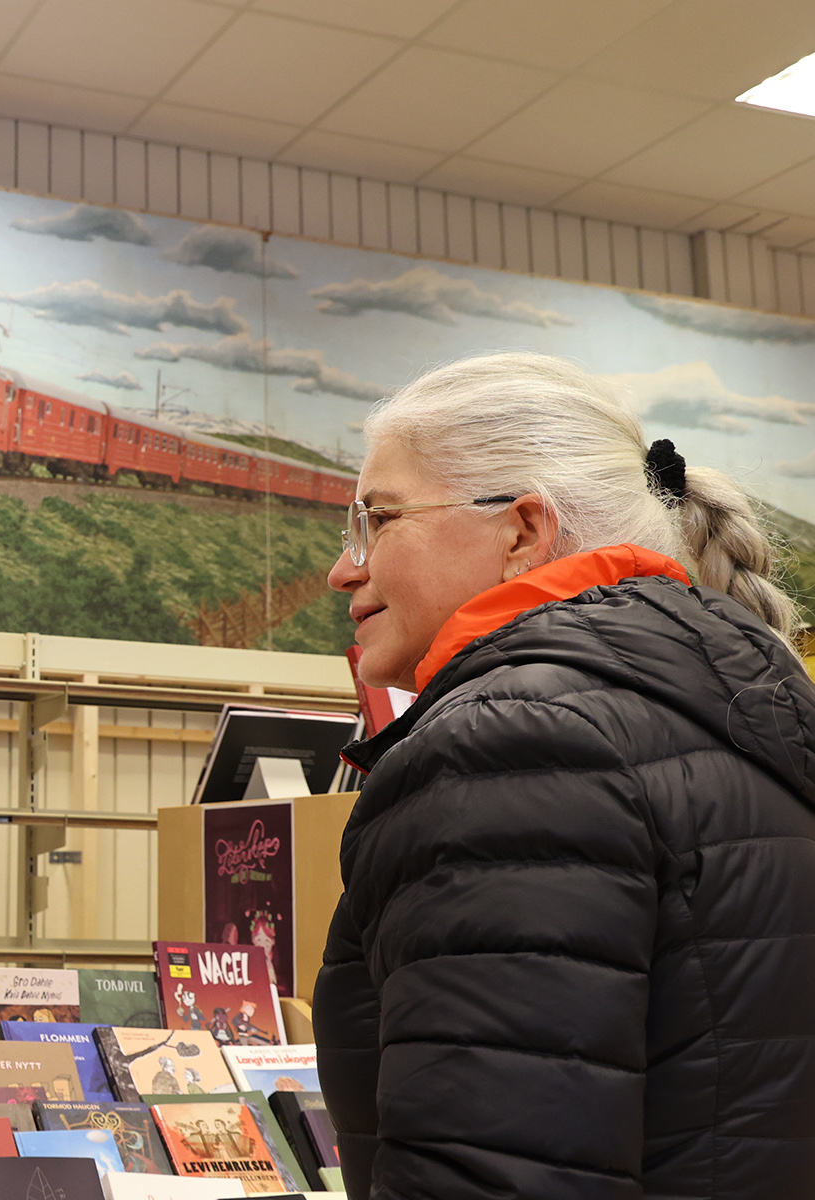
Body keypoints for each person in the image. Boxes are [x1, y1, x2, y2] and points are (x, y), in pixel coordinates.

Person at [314, 352, 815, 1199]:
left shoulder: (508, 746)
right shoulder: (733, 710)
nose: (343, 568)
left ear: (522, 531)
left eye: (377, 519)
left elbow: (492, 1170)